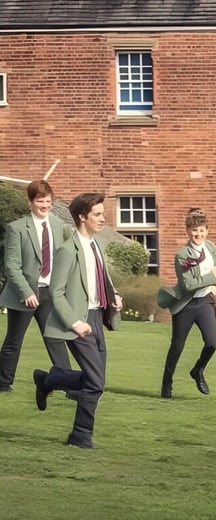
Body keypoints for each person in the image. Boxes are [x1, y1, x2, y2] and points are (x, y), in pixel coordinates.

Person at [33, 192, 122, 449]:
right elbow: (56, 292)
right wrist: (74, 322)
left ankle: (50, 380)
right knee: (95, 382)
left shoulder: (96, 245)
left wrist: (114, 296)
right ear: (82, 217)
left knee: (96, 380)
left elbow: (99, 281)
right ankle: (80, 435)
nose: (103, 218)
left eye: (102, 214)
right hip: (78, 322)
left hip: (97, 317)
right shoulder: (67, 250)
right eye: (97, 214)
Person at [0, 180, 72, 392]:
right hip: (24, 295)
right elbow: (12, 265)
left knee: (55, 338)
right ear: (30, 202)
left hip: (50, 292)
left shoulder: (58, 225)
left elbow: (64, 258)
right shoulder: (17, 228)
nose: (45, 205)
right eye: (40, 201)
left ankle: (68, 384)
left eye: (48, 201)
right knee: (14, 340)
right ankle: (3, 383)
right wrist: (26, 291)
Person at [157, 208, 216, 399]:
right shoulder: (182, 255)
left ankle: (197, 370)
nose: (198, 234)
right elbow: (188, 284)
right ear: (188, 231)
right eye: (194, 230)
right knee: (177, 347)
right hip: (185, 305)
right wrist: (212, 278)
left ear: (207, 231)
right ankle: (166, 386)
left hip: (204, 302)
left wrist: (214, 286)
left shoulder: (211, 247)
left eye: (202, 230)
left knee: (212, 343)